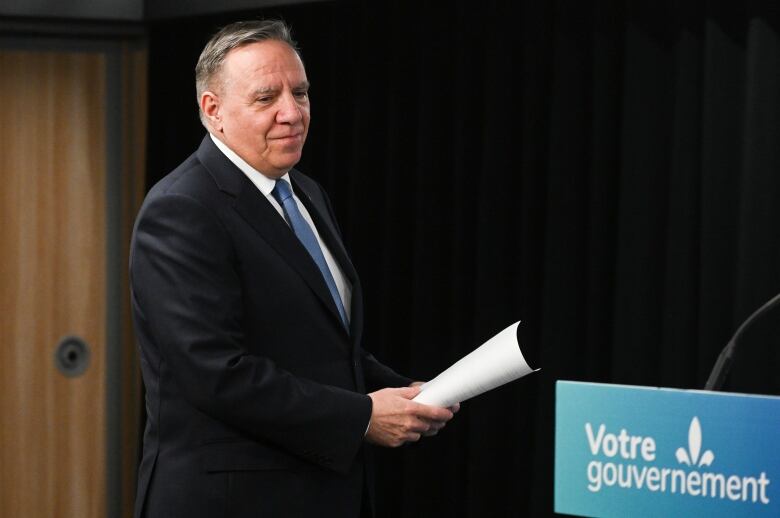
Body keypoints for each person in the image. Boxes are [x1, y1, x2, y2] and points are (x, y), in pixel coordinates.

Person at [130, 19, 456, 518]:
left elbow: (318, 345)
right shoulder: (181, 209)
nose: (292, 112)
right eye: (266, 98)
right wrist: (364, 416)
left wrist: (409, 393)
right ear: (212, 111)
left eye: (300, 92)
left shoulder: (306, 192)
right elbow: (218, 375)